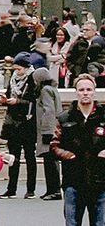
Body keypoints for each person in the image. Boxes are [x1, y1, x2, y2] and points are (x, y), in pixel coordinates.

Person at [51, 73, 105, 225]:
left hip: (100, 180)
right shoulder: (65, 118)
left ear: (94, 91)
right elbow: (54, 146)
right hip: (73, 181)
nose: (85, 93)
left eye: (88, 89)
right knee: (72, 222)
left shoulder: (103, 116)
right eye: (81, 90)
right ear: (76, 91)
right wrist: (68, 155)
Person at [0, 54, 39, 199]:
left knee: (29, 156)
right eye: (15, 68)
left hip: (27, 123)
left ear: (26, 67)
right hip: (13, 122)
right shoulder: (13, 78)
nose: (17, 71)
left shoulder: (33, 78)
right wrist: (6, 100)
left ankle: (30, 189)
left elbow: (34, 101)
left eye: (19, 68)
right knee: (13, 157)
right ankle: (11, 188)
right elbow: (10, 93)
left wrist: (18, 102)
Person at [31, 66, 63, 201]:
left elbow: (48, 111)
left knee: (50, 161)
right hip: (52, 129)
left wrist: (47, 132)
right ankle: (51, 189)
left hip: (48, 130)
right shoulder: (51, 89)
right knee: (50, 161)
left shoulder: (45, 91)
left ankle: (54, 190)